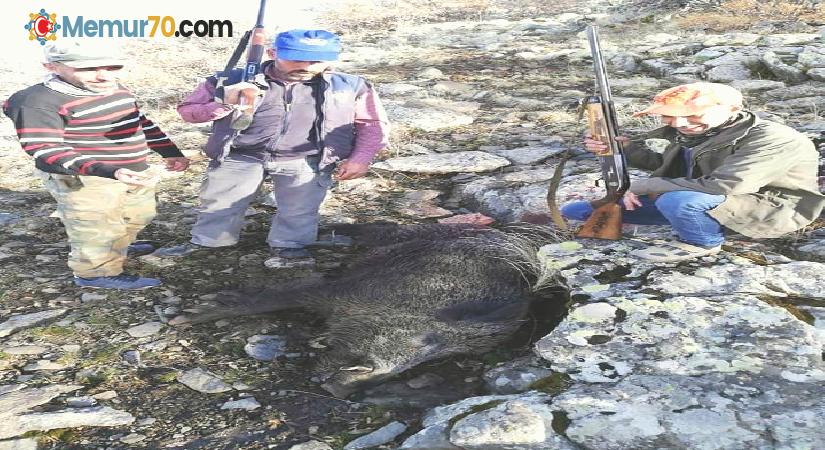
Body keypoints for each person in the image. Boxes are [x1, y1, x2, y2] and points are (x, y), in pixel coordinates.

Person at [157, 29, 389, 259]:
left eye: (317, 61)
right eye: (297, 59)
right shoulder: (229, 79)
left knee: (300, 210)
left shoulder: (350, 86)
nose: (307, 67)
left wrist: (361, 158)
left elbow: (371, 123)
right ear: (272, 52)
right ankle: (209, 243)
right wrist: (225, 105)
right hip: (239, 154)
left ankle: (290, 247)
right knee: (219, 203)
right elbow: (188, 112)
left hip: (307, 158)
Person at [562, 82, 825, 262]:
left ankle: (704, 243)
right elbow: (663, 165)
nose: (679, 123)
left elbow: (726, 185)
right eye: (670, 116)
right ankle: (686, 220)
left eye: (693, 115)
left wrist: (642, 187)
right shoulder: (701, 131)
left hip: (767, 209)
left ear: (732, 110)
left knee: (678, 200)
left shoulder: (774, 139)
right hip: (706, 202)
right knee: (576, 212)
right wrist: (624, 149)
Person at [2, 41, 190, 289]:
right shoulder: (35, 101)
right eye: (87, 69)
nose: (103, 76)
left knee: (138, 214)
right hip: (86, 177)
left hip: (133, 169)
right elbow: (44, 148)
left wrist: (169, 151)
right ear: (52, 66)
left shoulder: (113, 88)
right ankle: (95, 273)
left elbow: (140, 121)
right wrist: (108, 171)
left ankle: (117, 246)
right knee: (95, 226)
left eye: (111, 67)